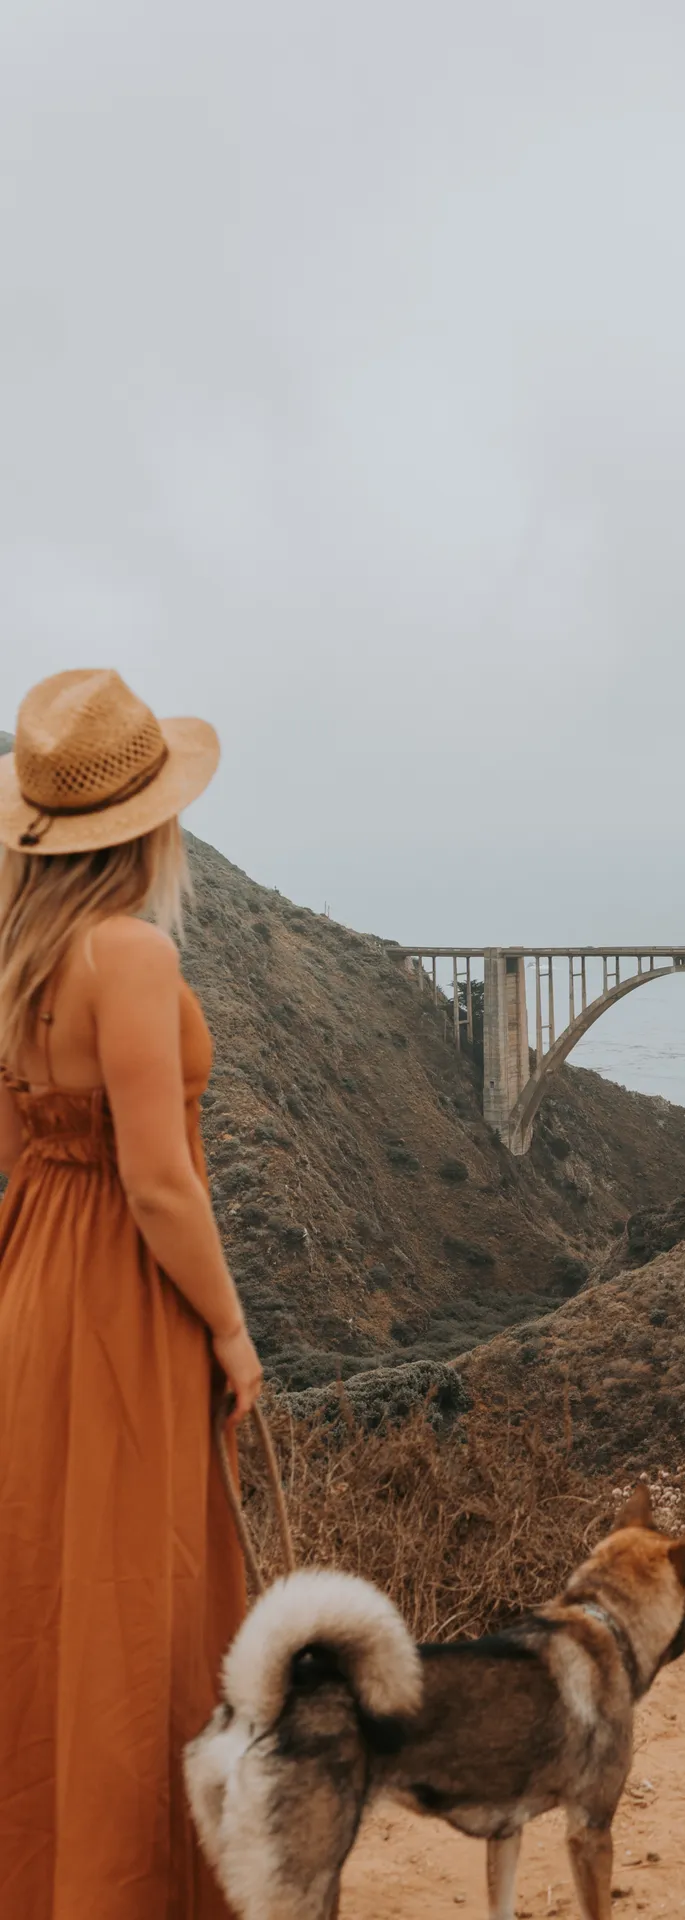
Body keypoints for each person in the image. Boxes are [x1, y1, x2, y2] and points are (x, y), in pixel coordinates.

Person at [0, 669, 263, 1919]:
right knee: (135, 1589)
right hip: (126, 1296)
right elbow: (159, 1183)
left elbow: (16, 1154)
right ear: (149, 825)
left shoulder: (21, 958)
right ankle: (129, 1886)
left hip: (33, 1286)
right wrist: (231, 1327)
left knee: (45, 1582)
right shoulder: (132, 953)